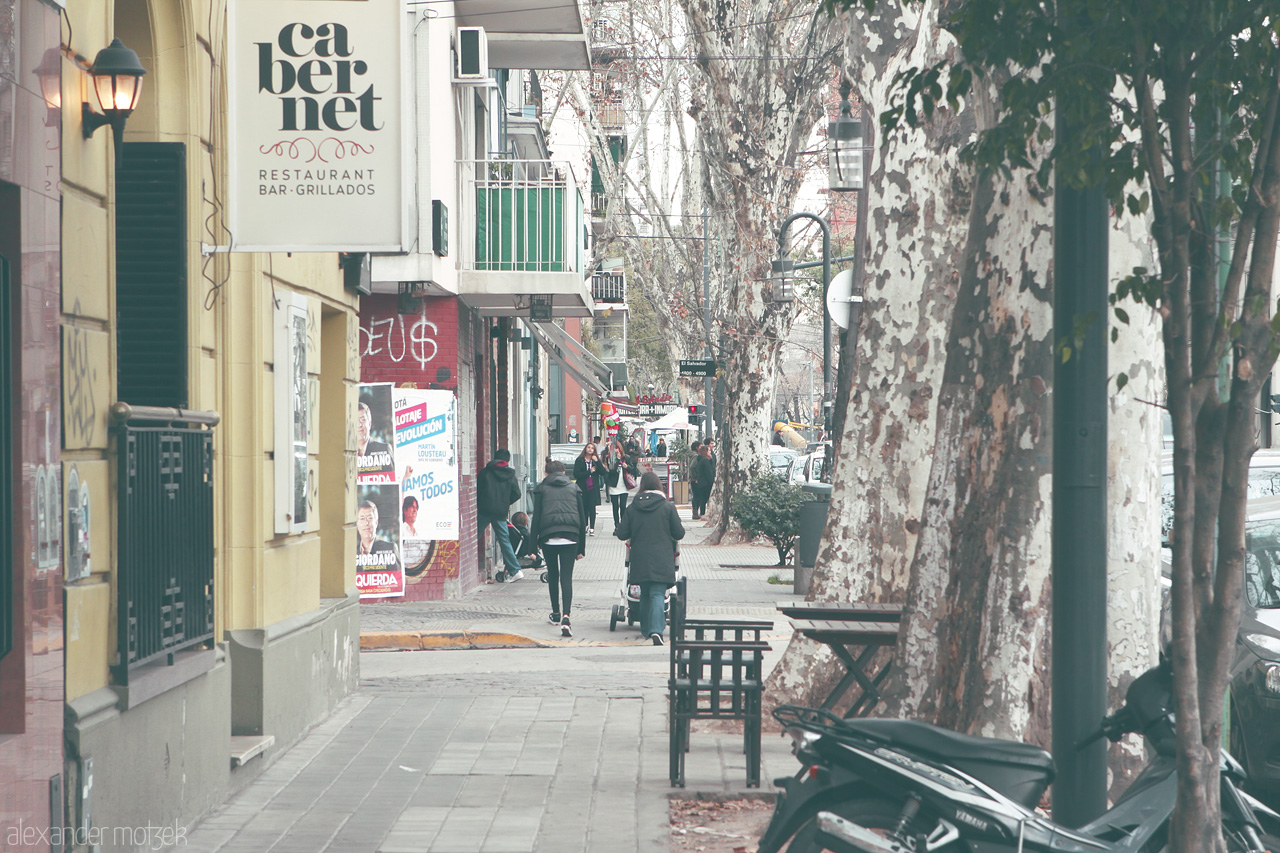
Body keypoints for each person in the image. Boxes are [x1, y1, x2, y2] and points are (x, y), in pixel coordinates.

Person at [615, 471, 685, 645]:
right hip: (662, 557)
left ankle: (646, 630)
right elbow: (679, 533)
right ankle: (656, 630)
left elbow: (622, 533)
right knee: (657, 593)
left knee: (645, 593)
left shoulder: (633, 507)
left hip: (639, 557)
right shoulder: (668, 507)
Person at [530, 459, 586, 637]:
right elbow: (582, 519)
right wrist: (581, 548)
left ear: (546, 473)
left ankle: (555, 613)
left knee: (553, 576)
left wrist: (532, 547)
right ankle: (566, 616)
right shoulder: (574, 488)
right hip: (571, 537)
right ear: (563, 472)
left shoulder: (542, 489)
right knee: (567, 578)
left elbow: (536, 518)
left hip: (548, 537)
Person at [477, 448, 524, 582]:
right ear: (507, 461)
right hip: (500, 512)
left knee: (474, 535)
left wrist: (483, 502)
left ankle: (467, 562)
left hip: (485, 510)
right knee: (505, 540)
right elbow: (517, 494)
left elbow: (478, 490)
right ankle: (515, 569)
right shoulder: (511, 475)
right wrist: (505, 502)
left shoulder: (485, 472)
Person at [355, 500, 400, 572]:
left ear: (376, 522)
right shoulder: (351, 553)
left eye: (370, 518)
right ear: (357, 523)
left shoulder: (389, 549)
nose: (366, 523)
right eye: (362, 518)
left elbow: (398, 580)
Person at [572, 443, 604, 536]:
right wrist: (589, 472)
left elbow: (603, 472)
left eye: (592, 448)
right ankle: (585, 525)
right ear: (585, 449)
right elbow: (576, 474)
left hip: (593, 487)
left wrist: (597, 461)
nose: (590, 449)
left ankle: (592, 527)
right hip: (583, 487)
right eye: (588, 447)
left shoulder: (595, 461)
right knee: (583, 507)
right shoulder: (580, 460)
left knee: (592, 507)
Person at [605, 438, 637, 525]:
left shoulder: (626, 458)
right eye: (614, 449)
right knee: (615, 507)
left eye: (617, 449)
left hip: (623, 484)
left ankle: (623, 524)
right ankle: (616, 525)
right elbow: (612, 471)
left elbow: (633, 470)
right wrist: (616, 460)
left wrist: (627, 467)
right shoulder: (610, 459)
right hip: (614, 485)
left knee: (623, 506)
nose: (616, 451)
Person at [689, 441, 714, 521]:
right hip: (702, 482)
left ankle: (698, 512)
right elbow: (693, 467)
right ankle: (699, 512)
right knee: (700, 497)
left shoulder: (700, 459)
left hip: (700, 481)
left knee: (700, 498)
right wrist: (694, 477)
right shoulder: (699, 458)